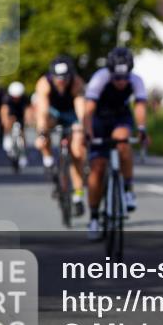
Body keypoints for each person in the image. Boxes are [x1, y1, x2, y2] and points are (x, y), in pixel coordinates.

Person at [83, 47, 149, 241]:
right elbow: (88, 111)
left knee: (123, 141)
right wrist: (87, 132)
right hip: (99, 120)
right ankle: (94, 217)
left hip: (121, 116)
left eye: (125, 77)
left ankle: (128, 189)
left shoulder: (136, 81)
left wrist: (142, 128)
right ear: (110, 73)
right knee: (97, 168)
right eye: (117, 78)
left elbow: (140, 106)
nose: (121, 82)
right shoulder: (99, 79)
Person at [34, 55, 88, 216]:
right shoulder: (44, 83)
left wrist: (81, 127)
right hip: (53, 112)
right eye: (58, 78)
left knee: (77, 152)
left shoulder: (76, 82)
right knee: (43, 138)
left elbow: (81, 109)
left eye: (65, 78)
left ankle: (78, 196)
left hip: (71, 113)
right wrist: (42, 132)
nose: (61, 81)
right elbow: (42, 110)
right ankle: (48, 159)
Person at [0, 81, 29, 168]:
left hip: (20, 114)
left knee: (22, 131)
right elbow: (4, 110)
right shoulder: (7, 98)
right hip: (11, 113)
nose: (16, 98)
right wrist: (4, 121)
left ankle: (23, 152)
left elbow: (28, 109)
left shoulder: (24, 98)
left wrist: (28, 119)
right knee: (8, 122)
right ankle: (7, 137)